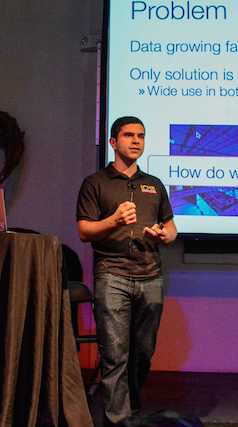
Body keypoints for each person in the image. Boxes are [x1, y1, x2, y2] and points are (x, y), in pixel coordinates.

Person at [76, 116, 177, 426]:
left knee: (142, 354)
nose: (136, 141)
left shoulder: (154, 184)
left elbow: (171, 227)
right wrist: (114, 221)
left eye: (140, 136)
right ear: (113, 142)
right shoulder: (95, 183)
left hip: (150, 275)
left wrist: (163, 235)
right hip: (112, 275)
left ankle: (129, 410)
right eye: (129, 135)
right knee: (114, 355)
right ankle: (118, 421)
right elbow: (84, 231)